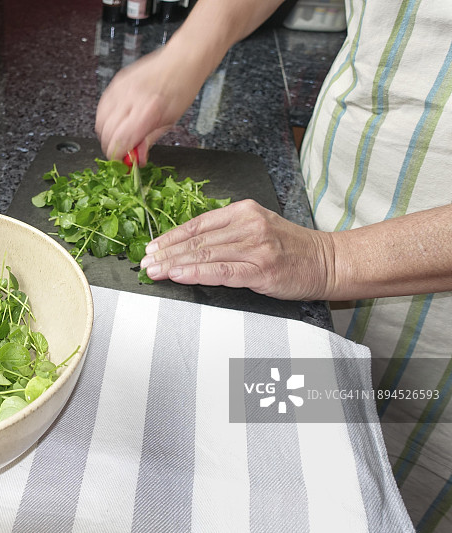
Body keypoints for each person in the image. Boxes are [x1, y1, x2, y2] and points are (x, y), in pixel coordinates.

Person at [95, 0, 452, 530]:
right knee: (279, 468)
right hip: (322, 201)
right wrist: (190, 51)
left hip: (432, 322)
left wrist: (332, 258)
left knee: (378, 492)